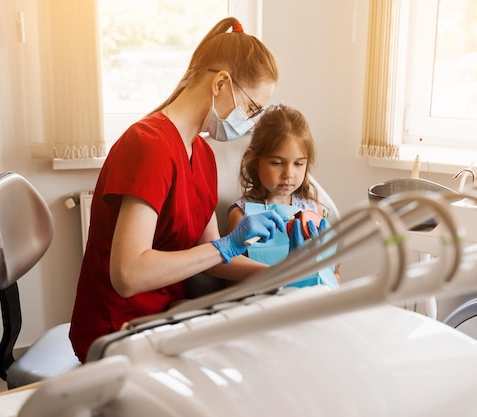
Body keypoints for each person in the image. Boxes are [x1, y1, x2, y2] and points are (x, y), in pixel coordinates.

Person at [69, 17, 285, 363]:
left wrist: (284, 273)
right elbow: (127, 275)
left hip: (163, 315)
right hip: (117, 331)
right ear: (221, 83)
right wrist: (226, 246)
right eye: (251, 109)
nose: (250, 122)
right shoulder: (149, 146)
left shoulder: (201, 155)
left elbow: (211, 258)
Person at [227, 103, 341, 287]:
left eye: (298, 164)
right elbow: (233, 285)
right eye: (277, 163)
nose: (289, 174)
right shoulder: (242, 216)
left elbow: (335, 274)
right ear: (253, 159)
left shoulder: (315, 211)